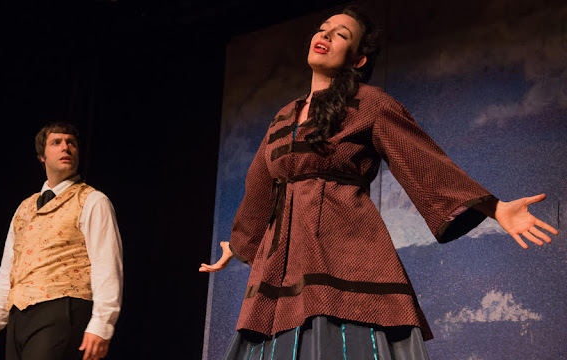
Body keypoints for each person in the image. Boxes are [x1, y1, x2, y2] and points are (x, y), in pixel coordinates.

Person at [200, 5, 558, 360]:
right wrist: (240, 243)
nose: (324, 35)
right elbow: (260, 185)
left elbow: (422, 160)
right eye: (322, 29)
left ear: (357, 60)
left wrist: (493, 207)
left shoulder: (368, 103)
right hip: (280, 267)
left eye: (340, 34)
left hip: (343, 256)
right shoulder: (283, 117)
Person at [0, 122, 123, 360]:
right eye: (57, 143)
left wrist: (102, 323)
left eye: (71, 143)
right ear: (42, 156)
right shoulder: (24, 207)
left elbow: (108, 264)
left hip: (63, 310)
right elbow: (9, 270)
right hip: (19, 316)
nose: (66, 148)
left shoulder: (93, 200)